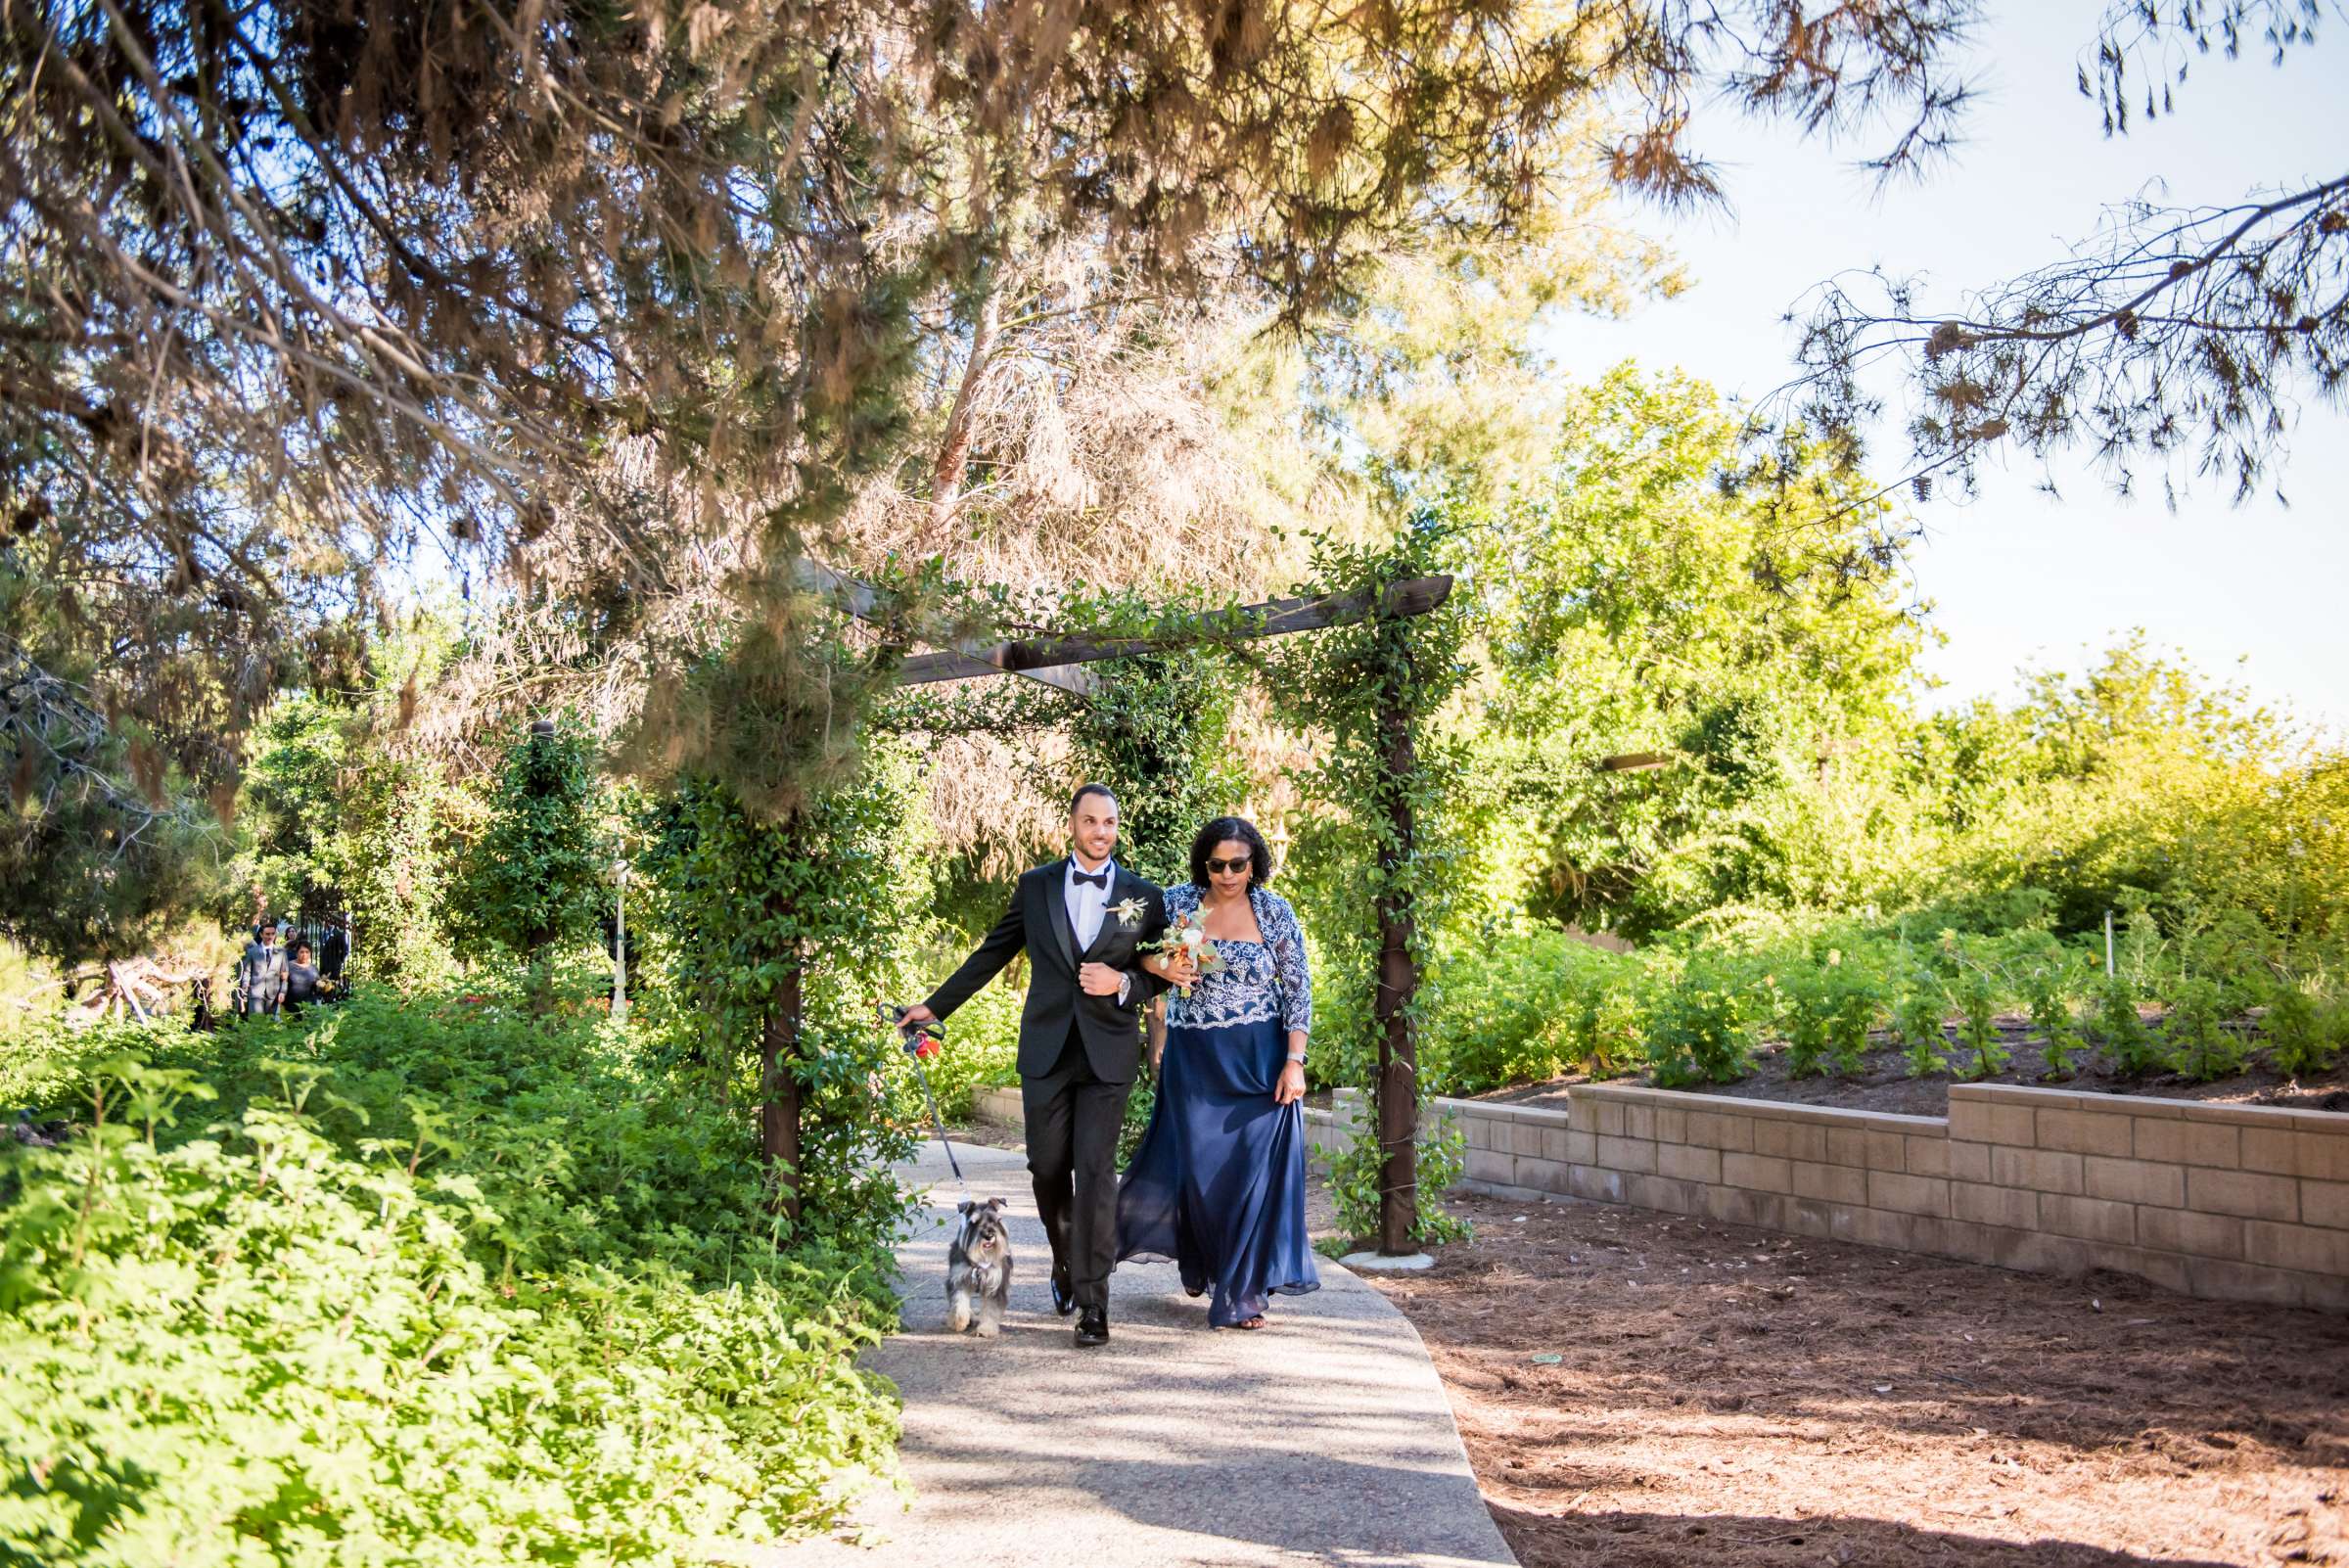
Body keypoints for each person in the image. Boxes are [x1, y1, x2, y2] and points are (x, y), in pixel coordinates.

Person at [899, 784, 1192, 1348]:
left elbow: (1164, 967)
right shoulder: (1036, 887)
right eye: (1090, 821)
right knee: (1047, 1168)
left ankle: (1093, 1301)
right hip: (1047, 1051)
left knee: (1097, 1172)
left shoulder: (1144, 895)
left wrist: (1125, 982)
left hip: (1107, 1052)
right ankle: (1065, 1259)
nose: (1100, 832)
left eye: (1109, 822)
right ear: (1073, 825)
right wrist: (934, 1007)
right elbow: (993, 951)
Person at [1116, 816, 1319, 1330]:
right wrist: (1162, 967)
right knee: (1203, 1175)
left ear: (1254, 864)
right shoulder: (1180, 903)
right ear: (1203, 864)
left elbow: (1299, 990)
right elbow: (1137, 958)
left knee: (1252, 1175)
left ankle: (1242, 1291)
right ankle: (1205, 1262)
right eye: (1217, 864)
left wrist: (1294, 1062)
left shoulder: (1274, 911)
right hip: (1196, 1060)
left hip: (1259, 1062)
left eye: (1238, 864)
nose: (1227, 874)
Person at [238, 922, 288, 1017]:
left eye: (273, 934)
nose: (270, 936)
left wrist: (283, 991)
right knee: (256, 1023)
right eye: (267, 934)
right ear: (261, 934)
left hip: (273, 993)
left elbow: (285, 974)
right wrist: (245, 985)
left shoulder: (281, 952)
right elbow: (247, 971)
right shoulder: (253, 951)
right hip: (256, 992)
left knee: (269, 1025)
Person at [284, 942, 321, 1016]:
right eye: (302, 952)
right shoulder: (288, 966)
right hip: (291, 1008)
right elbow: (282, 984)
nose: (304, 955)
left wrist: (322, 986)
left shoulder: (314, 968)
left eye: (307, 952)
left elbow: (317, 987)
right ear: (297, 953)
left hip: (310, 1007)